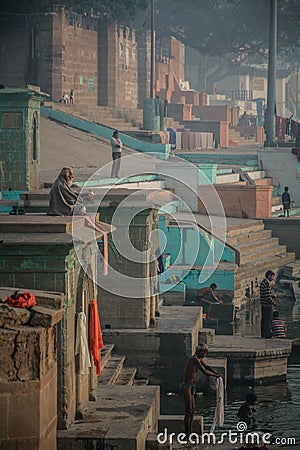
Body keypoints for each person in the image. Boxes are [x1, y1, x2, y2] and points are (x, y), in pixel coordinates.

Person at [181, 344, 221, 438]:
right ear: (200, 352)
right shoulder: (194, 360)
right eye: (204, 353)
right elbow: (204, 371)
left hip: (192, 386)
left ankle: (189, 433)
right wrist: (215, 376)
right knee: (188, 410)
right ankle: (188, 434)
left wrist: (216, 373)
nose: (205, 355)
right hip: (186, 386)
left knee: (192, 410)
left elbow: (207, 367)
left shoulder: (199, 359)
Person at [260, 270, 276, 338]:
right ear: (269, 276)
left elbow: (266, 294)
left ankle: (264, 334)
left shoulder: (263, 282)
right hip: (267, 305)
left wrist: (272, 296)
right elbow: (267, 297)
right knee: (268, 320)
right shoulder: (266, 284)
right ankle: (267, 334)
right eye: (272, 276)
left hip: (264, 305)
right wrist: (273, 302)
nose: (273, 278)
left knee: (264, 320)